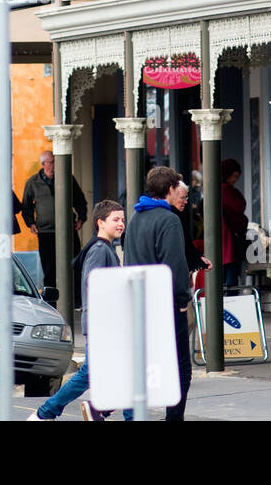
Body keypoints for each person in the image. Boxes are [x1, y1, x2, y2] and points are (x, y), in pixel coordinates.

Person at [29, 200, 126, 421]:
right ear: (100, 222)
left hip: (104, 323)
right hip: (102, 324)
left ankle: (96, 410)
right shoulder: (100, 250)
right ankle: (47, 412)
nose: (121, 224)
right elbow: (95, 285)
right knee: (91, 374)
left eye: (122, 219)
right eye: (116, 220)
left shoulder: (105, 248)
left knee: (117, 372)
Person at [123, 165, 193, 421]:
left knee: (145, 366)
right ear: (171, 189)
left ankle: (106, 409)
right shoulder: (169, 220)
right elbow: (174, 265)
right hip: (165, 306)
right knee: (181, 369)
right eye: (178, 189)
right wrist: (182, 299)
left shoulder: (135, 218)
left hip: (139, 303)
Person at [21, 150, 88, 289]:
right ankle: (52, 301)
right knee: (49, 269)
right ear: (43, 164)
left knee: (74, 264)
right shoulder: (33, 183)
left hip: (67, 230)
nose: (53, 165)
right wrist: (30, 223)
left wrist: (81, 217)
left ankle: (75, 299)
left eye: (54, 162)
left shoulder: (67, 178)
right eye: (50, 162)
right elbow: (26, 206)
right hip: (46, 232)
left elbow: (80, 200)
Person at [220, 159, 248, 287]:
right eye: (234, 176)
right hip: (228, 241)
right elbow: (238, 206)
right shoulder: (226, 191)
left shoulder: (219, 190)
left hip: (224, 240)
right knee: (231, 282)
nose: (235, 180)